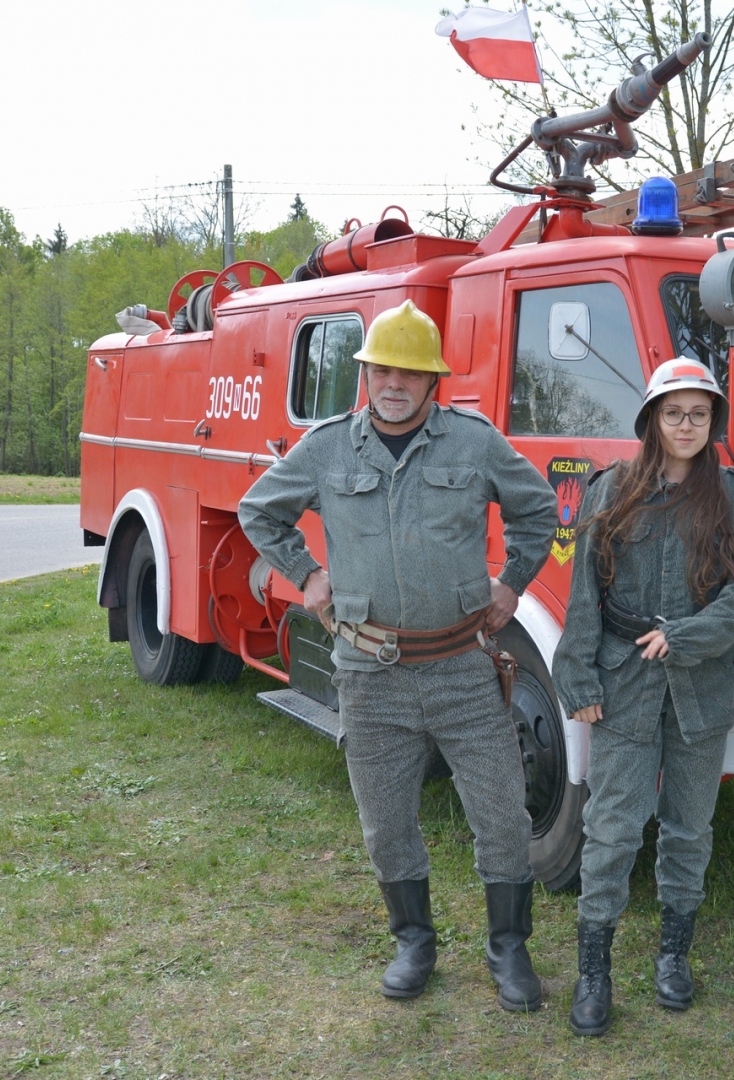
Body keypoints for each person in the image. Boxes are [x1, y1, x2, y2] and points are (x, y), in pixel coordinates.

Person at [238, 300, 559, 1012]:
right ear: (365, 374)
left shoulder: (473, 443)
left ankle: (509, 947)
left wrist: (513, 583)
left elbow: (538, 508)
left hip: (462, 668)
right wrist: (307, 574)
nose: (394, 383)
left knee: (503, 815)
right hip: (369, 673)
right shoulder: (327, 448)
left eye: (410, 373)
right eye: (382, 369)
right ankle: (413, 941)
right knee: (386, 821)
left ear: (432, 380)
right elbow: (259, 510)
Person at [551, 359, 734, 1037]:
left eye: (698, 414)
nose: (685, 425)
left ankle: (674, 955)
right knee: (612, 827)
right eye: (673, 413)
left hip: (701, 686)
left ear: (713, 422)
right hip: (623, 683)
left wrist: (687, 636)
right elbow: (584, 591)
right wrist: (577, 677)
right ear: (652, 419)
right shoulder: (612, 489)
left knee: (688, 828)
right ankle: (594, 971)